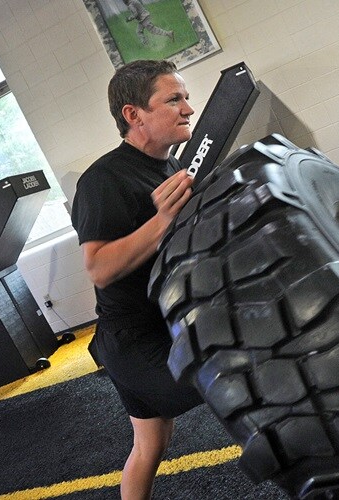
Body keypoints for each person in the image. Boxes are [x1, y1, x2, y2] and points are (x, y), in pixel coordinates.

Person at [71, 59, 203, 500]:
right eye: (174, 99)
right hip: (135, 339)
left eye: (185, 97)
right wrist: (163, 220)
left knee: (151, 446)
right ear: (134, 114)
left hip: (166, 320)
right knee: (234, 382)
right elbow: (99, 267)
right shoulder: (102, 180)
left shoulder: (168, 166)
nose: (188, 108)